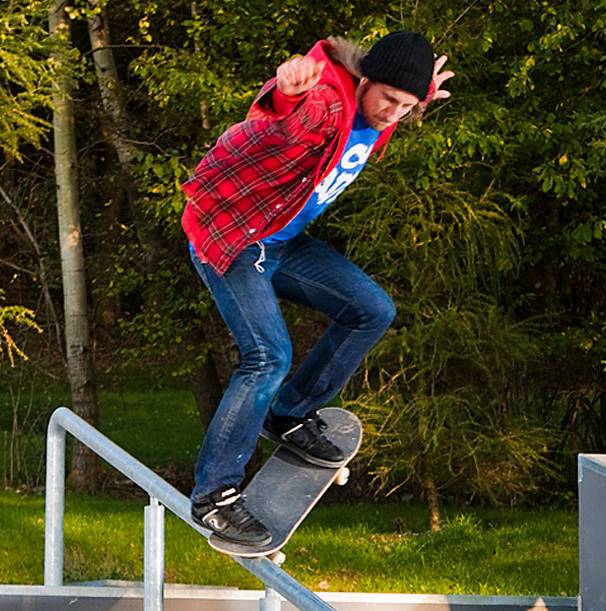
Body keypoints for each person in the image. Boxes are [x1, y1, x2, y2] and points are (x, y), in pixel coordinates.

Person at [182, 31, 454, 555]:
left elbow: (398, 100)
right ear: (364, 81)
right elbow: (273, 126)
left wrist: (417, 96)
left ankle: (288, 413)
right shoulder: (327, 104)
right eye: (387, 100)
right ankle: (213, 495)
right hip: (234, 239)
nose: (392, 114)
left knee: (372, 309)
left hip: (280, 239)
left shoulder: (385, 111)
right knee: (267, 356)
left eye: (406, 107)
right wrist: (287, 94)